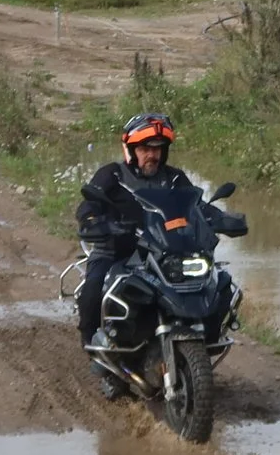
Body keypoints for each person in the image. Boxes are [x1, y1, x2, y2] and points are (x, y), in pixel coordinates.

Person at [74, 111, 245, 395]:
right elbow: (87, 208)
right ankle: (98, 353)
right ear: (131, 149)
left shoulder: (175, 179)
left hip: (163, 250)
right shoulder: (112, 175)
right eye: (144, 148)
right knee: (93, 289)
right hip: (117, 250)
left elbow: (197, 207)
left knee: (217, 283)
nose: (151, 155)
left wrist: (223, 219)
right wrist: (96, 222)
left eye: (157, 149)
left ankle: (202, 340)